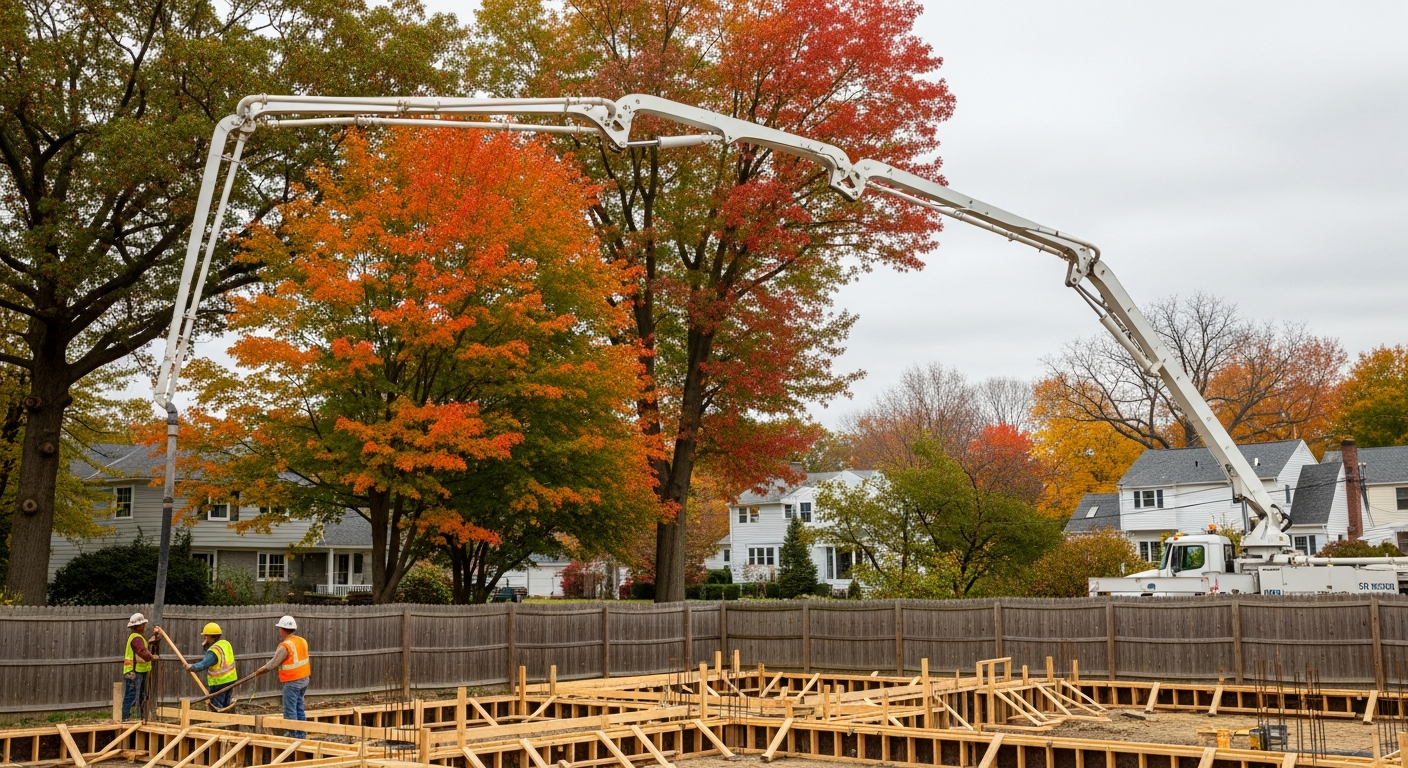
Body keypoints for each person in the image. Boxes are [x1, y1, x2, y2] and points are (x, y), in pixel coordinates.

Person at [254, 615, 309, 738]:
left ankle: (292, 736)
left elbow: (274, 663)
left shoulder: (285, 646)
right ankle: (301, 734)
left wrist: (262, 670)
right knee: (299, 707)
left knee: (290, 710)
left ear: (282, 629)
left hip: (292, 681)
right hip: (304, 679)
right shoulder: (302, 640)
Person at [184, 622, 238, 709]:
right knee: (226, 704)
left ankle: (218, 720)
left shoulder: (214, 651)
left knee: (217, 706)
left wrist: (191, 667)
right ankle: (227, 718)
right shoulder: (225, 644)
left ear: (212, 637)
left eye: (205, 636)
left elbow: (203, 664)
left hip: (219, 683)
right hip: (230, 679)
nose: (204, 638)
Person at [121, 613, 158, 721]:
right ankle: (126, 718)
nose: (144, 626)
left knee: (140, 695)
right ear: (139, 626)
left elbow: (142, 648)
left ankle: (138, 717)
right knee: (131, 696)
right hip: (134, 672)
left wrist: (152, 641)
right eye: (142, 624)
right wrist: (152, 657)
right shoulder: (136, 638)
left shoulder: (138, 637)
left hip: (137, 671)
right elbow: (142, 651)